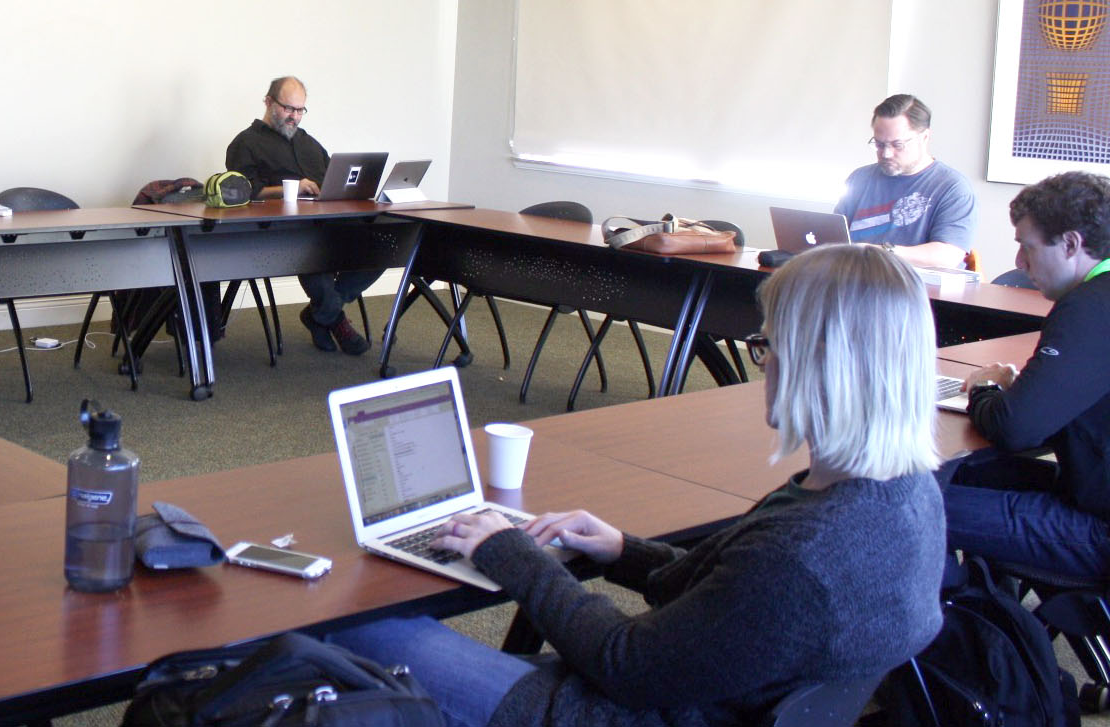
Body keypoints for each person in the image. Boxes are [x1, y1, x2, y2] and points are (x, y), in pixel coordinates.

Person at [327, 244, 945, 726]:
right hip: (707, 696)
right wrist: (624, 549)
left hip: (603, 711)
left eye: (766, 346)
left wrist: (512, 555)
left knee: (347, 626)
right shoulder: (909, 496)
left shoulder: (799, 561)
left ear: (822, 363)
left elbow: (625, 665)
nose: (764, 366)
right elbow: (731, 607)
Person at [941, 171, 1110, 581]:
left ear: (1071, 244)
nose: (1018, 263)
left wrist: (982, 387)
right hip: (1092, 494)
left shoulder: (1089, 306)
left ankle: (968, 636)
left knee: (905, 505)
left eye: (1025, 247)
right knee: (964, 474)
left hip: (1098, 531)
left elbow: (1015, 429)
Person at [226, 76, 379, 355]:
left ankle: (320, 313)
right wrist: (291, 190)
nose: (294, 117)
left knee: (380, 244)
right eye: (288, 109)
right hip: (281, 231)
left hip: (327, 222)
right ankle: (336, 320)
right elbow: (242, 192)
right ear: (269, 102)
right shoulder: (246, 143)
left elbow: (335, 177)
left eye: (299, 110)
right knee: (314, 251)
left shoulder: (309, 142)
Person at [833, 94, 978, 269]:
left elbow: (947, 256)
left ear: (924, 137)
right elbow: (836, 236)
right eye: (879, 144)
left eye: (898, 145)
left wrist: (877, 253)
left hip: (912, 290)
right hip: (853, 281)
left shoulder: (953, 188)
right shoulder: (859, 178)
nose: (886, 154)